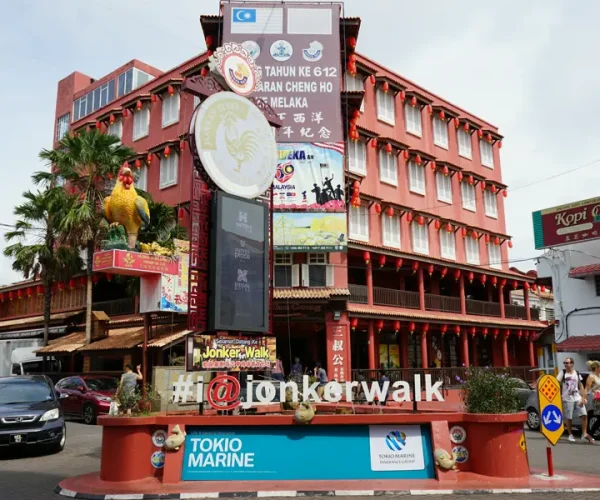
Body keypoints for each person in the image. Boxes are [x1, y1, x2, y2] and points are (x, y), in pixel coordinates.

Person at [557, 358, 594, 443]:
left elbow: (581, 385)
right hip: (567, 399)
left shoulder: (576, 373)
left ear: (572, 364)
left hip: (577, 397)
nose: (565, 364)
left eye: (567, 363)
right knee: (569, 417)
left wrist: (583, 397)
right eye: (564, 363)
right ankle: (570, 435)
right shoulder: (562, 373)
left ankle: (584, 434)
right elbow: (556, 383)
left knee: (584, 414)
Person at [585, 360, 600, 437]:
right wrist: (584, 398)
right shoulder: (591, 376)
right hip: (595, 398)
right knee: (597, 416)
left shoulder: (599, 376)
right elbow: (587, 388)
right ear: (597, 367)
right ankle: (590, 433)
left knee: (597, 417)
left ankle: (590, 434)